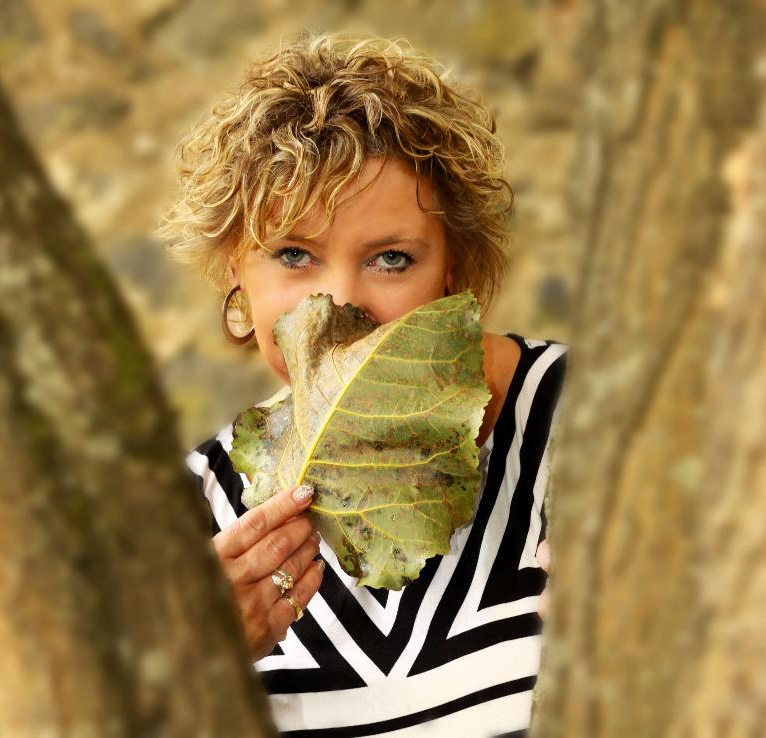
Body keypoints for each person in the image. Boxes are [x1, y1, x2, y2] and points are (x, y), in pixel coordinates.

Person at [159, 30, 567, 738]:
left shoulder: (594, 427)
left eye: (389, 258)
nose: (337, 303)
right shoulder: (193, 521)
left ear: (453, 269)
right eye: (293, 255)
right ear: (236, 270)